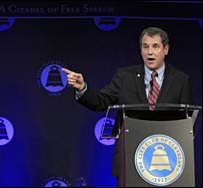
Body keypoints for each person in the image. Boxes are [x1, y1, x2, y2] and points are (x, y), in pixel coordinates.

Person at [62, 27, 193, 182]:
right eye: (145, 46)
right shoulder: (124, 76)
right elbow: (100, 101)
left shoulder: (180, 80)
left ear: (166, 49)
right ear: (140, 49)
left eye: (155, 46)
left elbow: (186, 122)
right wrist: (82, 87)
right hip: (129, 158)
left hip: (168, 164)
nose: (150, 52)